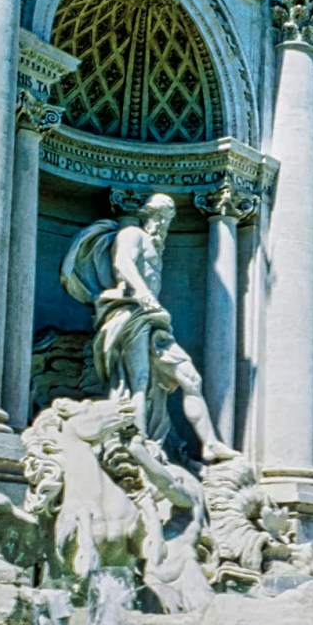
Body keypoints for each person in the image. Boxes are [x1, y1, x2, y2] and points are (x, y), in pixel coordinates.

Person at [60, 194, 232, 461]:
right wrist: (143, 293)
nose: (162, 223)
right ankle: (135, 444)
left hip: (153, 318)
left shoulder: (156, 246)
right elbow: (123, 264)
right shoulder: (132, 234)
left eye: (168, 218)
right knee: (137, 381)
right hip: (132, 311)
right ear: (147, 215)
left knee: (190, 378)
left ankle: (209, 444)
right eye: (159, 216)